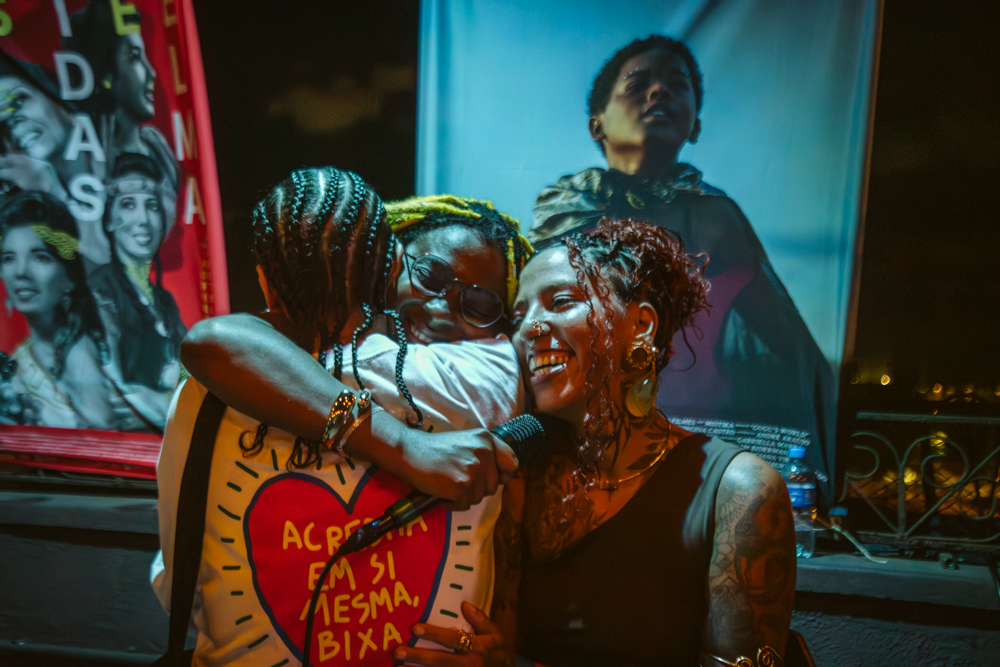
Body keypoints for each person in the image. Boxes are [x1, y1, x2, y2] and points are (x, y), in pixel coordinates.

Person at [153, 173, 529, 665]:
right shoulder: (484, 381)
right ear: (392, 265)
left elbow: (179, 588)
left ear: (265, 280)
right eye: (432, 277)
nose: (440, 309)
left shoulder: (213, 389)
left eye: (478, 305)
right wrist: (405, 447)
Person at [398, 219, 796, 667]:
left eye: (561, 302)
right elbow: (506, 649)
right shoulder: (521, 480)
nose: (528, 330)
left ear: (641, 325)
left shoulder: (740, 491)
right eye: (519, 316)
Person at [531, 34, 836, 498]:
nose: (659, 92)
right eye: (638, 84)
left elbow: (789, 349)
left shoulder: (717, 219)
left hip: (693, 444)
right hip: (581, 438)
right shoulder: (562, 213)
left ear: (695, 125)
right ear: (597, 124)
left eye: (677, 85)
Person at [0, 191, 118, 428]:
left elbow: (100, 441)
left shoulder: (82, 355)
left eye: (40, 257)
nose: (20, 272)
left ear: (69, 276)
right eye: (9, 258)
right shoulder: (23, 355)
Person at [88, 153, 184, 428]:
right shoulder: (100, 292)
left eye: (151, 206)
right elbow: (112, 397)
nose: (143, 219)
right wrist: (173, 408)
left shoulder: (165, 302)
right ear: (109, 219)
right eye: (128, 204)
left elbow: (195, 381)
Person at [67, 0, 179, 220]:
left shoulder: (157, 146)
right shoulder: (84, 159)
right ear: (106, 74)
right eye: (134, 56)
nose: (151, 72)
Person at [0, 52, 110, 266]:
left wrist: (50, 192)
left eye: (19, 100)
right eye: (2, 124)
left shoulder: (125, 159)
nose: (14, 123)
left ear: (56, 94)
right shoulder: (16, 213)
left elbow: (119, 273)